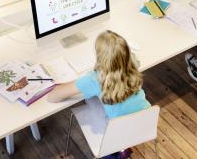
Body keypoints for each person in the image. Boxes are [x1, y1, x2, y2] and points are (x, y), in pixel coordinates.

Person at [48, 30, 150, 158]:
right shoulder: (133, 62)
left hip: (117, 133)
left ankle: (117, 152)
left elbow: (53, 97)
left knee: (90, 100)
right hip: (146, 123)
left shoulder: (94, 79)